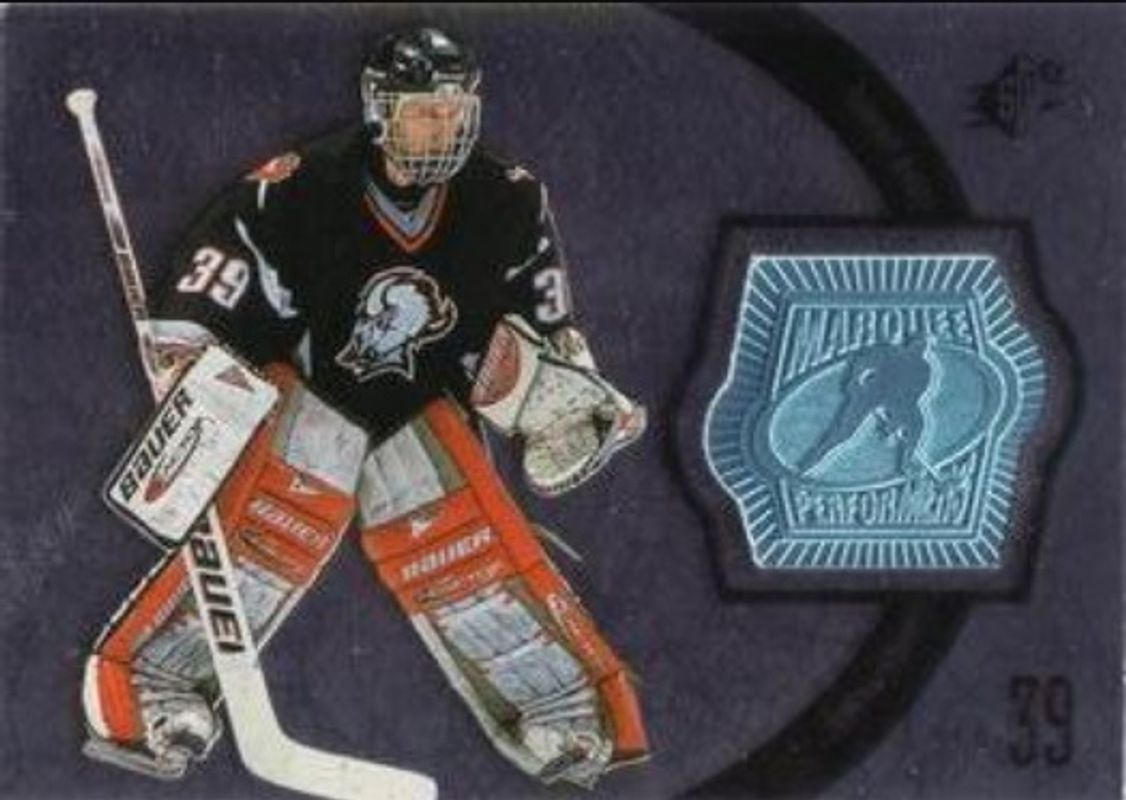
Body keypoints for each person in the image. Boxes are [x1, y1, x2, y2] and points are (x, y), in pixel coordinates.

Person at [81, 27, 648, 789]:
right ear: (380, 109)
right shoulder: (300, 186)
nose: (443, 129)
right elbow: (216, 276)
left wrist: (574, 397)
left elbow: (546, 325)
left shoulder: (509, 197)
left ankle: (564, 713)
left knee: (467, 559)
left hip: (428, 405)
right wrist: (188, 355)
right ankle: (153, 693)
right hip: (312, 395)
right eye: (425, 112)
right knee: (264, 536)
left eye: (455, 112)